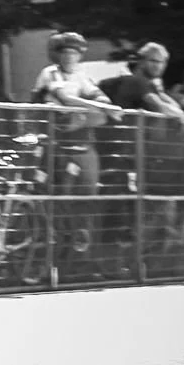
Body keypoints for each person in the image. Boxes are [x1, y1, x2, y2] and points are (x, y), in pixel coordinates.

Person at [31, 31, 115, 279]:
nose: (70, 57)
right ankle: (53, 263)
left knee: (87, 203)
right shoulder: (50, 73)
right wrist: (97, 109)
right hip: (56, 146)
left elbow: (102, 104)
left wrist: (93, 110)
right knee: (57, 202)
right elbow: (65, 99)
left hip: (82, 147)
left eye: (75, 52)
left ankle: (82, 261)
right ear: (57, 54)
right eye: (65, 52)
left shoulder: (83, 77)